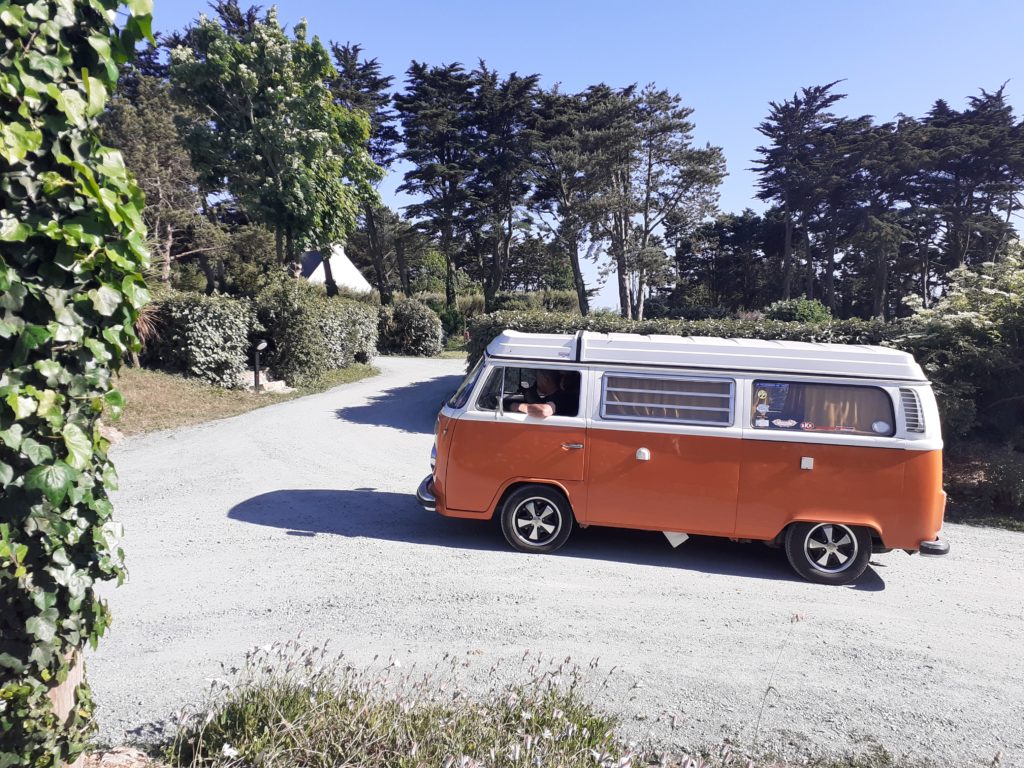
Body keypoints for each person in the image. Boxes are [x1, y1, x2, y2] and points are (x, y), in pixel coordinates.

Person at [511, 369, 578, 418]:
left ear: (545, 379)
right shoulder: (555, 396)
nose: (536, 382)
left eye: (537, 378)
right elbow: (539, 402)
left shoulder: (559, 398)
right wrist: (528, 393)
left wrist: (518, 406)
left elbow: (544, 411)